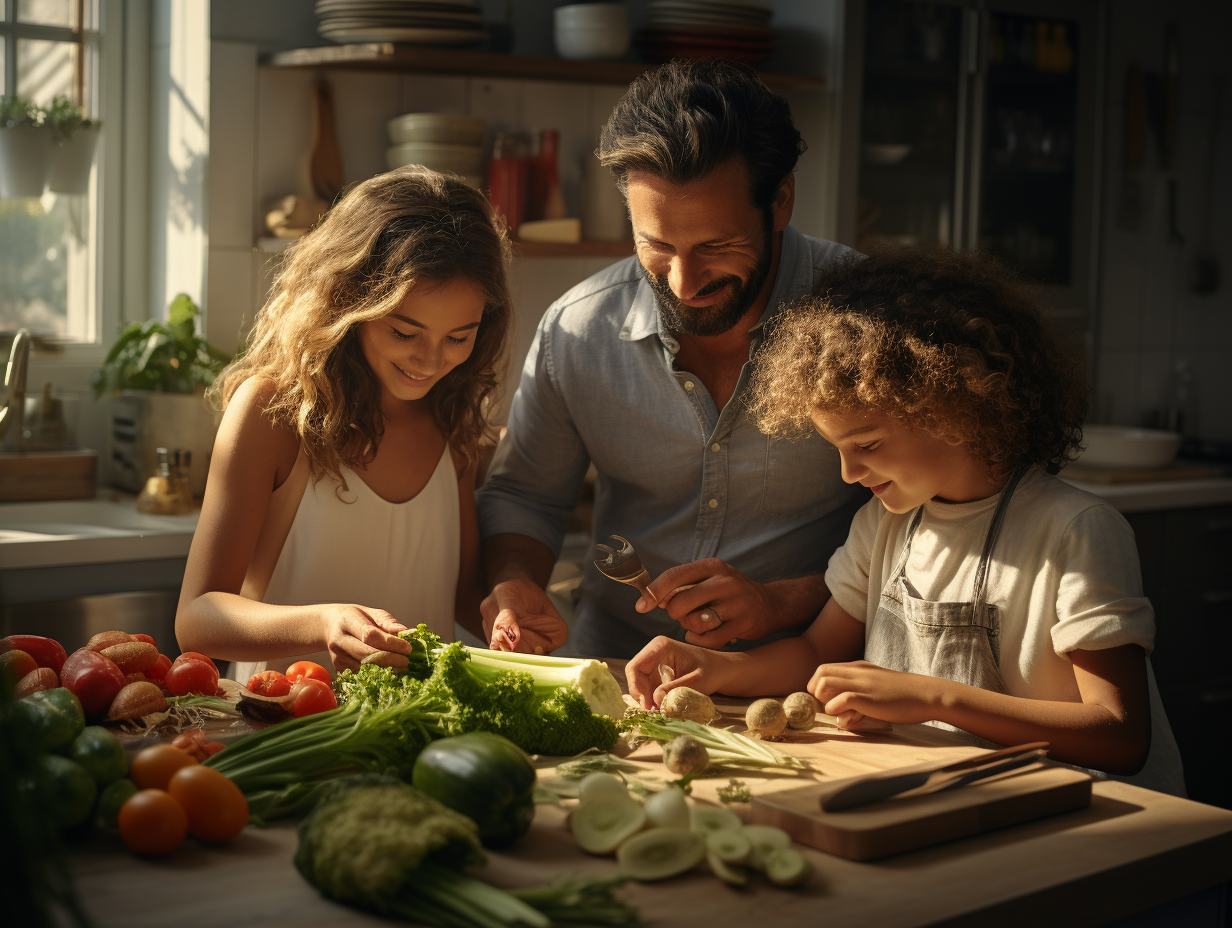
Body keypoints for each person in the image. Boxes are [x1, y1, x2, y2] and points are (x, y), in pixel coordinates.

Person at [625, 246, 1185, 795]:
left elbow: (1120, 737)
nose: (848, 473)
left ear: (951, 405)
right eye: (837, 450)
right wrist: (713, 668)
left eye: (866, 443)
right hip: (967, 806)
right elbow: (816, 653)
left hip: (1094, 824)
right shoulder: (885, 524)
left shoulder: (1077, 530)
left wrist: (931, 697)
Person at [477, 58, 868, 658]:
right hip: (614, 662)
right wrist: (514, 580)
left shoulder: (871, 318)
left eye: (716, 245)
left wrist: (778, 602)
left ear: (781, 201)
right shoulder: (578, 329)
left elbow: (932, 521)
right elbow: (524, 497)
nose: (684, 282)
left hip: (808, 676)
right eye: (656, 246)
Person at [176, 167, 511, 679]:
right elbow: (198, 617)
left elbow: (462, 597)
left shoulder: (451, 419)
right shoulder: (272, 412)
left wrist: (505, 614)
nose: (430, 360)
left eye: (458, 337)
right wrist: (323, 623)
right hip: (289, 727)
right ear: (348, 303)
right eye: (405, 332)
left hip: (422, 736)